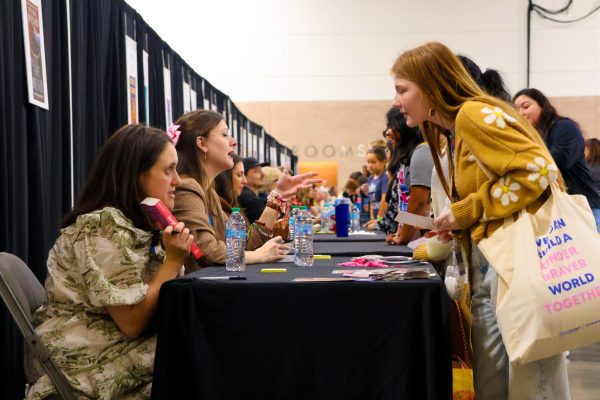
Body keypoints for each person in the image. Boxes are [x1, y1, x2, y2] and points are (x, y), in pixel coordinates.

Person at [392, 42, 570, 399]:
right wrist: (458, 220)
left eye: (402, 90)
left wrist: (466, 211)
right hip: (494, 268)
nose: (397, 102)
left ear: (430, 86)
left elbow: (538, 170)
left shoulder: (473, 115)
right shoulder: (458, 129)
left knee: (525, 381)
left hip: (514, 268)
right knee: (501, 381)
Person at [26, 125, 193, 399]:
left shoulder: (135, 228)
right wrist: (172, 262)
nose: (177, 180)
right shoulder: (102, 228)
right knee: (195, 352)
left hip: (109, 346)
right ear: (136, 175)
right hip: (84, 359)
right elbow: (132, 322)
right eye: (168, 170)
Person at [172, 110, 318, 271]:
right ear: (202, 143)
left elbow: (244, 245)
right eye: (225, 135)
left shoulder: (209, 192)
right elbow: (208, 252)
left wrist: (278, 196)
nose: (233, 141)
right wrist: (260, 255)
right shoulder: (187, 188)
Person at [514, 88, 600, 231]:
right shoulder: (539, 135)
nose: (521, 113)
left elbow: (561, 159)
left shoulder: (564, 126)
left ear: (542, 105)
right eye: (516, 109)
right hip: (562, 212)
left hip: (585, 208)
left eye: (526, 106)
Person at [375, 108, 432, 245]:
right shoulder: (408, 157)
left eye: (391, 126)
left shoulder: (421, 151)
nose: (388, 133)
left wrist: (404, 236)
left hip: (427, 238)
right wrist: (402, 231)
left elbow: (419, 201)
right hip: (417, 236)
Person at [214, 154, 279, 251]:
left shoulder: (232, 205)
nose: (244, 181)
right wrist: (279, 195)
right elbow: (248, 244)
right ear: (225, 178)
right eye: (239, 175)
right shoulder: (247, 198)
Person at [237, 157, 270, 224]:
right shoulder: (249, 198)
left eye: (261, 170)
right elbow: (269, 225)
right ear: (244, 176)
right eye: (256, 171)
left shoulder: (257, 196)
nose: (263, 174)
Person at [364, 147, 388, 221]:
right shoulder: (370, 179)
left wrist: (379, 219)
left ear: (384, 162)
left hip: (384, 218)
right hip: (375, 217)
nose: (370, 165)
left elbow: (384, 200)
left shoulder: (385, 177)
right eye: (368, 162)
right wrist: (372, 218)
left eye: (373, 162)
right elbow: (371, 201)